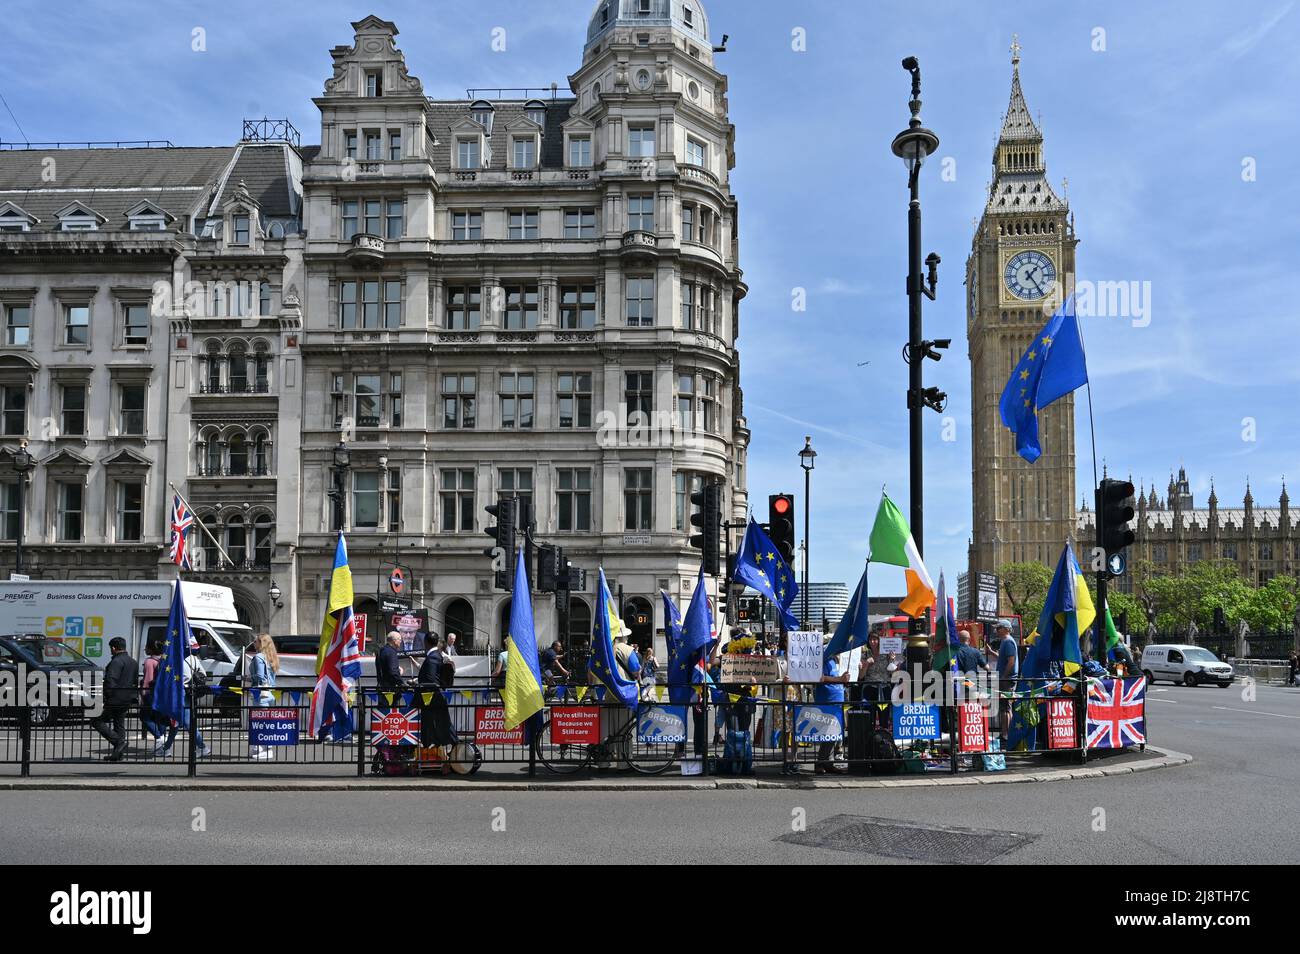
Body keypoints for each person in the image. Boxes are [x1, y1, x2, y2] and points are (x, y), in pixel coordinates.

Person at [155, 636, 211, 758]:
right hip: (190, 692)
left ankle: (202, 747)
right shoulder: (193, 657)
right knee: (176, 722)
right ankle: (166, 748)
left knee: (185, 723)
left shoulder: (171, 659)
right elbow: (203, 674)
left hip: (178, 693)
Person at [92, 637, 137, 762]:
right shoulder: (133, 661)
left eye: (110, 648)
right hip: (127, 698)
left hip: (115, 699)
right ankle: (117, 754)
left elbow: (110, 681)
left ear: (113, 648)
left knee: (96, 721)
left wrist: (107, 695)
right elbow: (134, 681)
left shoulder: (116, 662)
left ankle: (118, 742)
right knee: (119, 725)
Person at [416, 632, 458, 765]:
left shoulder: (432, 657)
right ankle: (445, 750)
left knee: (438, 725)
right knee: (442, 725)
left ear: (426, 643)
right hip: (435, 697)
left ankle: (455, 749)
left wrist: (419, 685)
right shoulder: (438, 655)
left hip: (431, 698)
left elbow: (430, 679)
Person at [814, 642, 851, 774]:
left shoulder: (833, 660)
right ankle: (819, 762)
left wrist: (844, 681)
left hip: (837, 700)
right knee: (827, 732)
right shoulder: (822, 659)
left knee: (834, 733)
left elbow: (837, 678)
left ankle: (828, 763)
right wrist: (840, 679)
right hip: (827, 700)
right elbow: (820, 678)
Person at [246, 634, 279, 760]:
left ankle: (265, 749)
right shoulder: (272, 657)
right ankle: (261, 748)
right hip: (271, 693)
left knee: (259, 723)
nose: (253, 643)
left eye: (255, 641)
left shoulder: (259, 657)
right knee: (267, 723)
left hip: (261, 694)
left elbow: (260, 676)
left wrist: (249, 678)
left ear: (261, 643)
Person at [995, 620, 1019, 736]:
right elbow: (1004, 658)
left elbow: (1011, 661)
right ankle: (1006, 733)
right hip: (1005, 679)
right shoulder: (1005, 642)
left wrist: (1004, 676)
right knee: (1005, 707)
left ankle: (1006, 734)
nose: (996, 630)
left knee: (1006, 707)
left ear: (1005, 629)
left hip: (1007, 680)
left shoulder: (1008, 642)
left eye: (998, 628)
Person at [139, 639, 165, 742]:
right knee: (160, 718)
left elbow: (148, 680)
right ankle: (163, 740)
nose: (145, 649)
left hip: (151, 694)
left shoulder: (149, 661)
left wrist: (143, 694)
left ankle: (159, 738)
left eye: (146, 647)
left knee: (144, 717)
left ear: (151, 649)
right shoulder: (164, 660)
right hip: (162, 693)